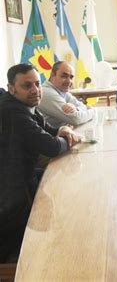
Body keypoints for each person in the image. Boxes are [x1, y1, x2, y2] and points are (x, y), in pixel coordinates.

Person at [0, 63, 80, 262]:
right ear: (11, 88)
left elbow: (45, 130)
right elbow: (51, 147)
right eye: (27, 86)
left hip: (20, 183)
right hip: (11, 200)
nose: (35, 90)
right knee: (59, 220)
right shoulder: (12, 111)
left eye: (37, 84)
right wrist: (66, 139)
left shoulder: (21, 105)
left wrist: (63, 131)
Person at [38, 61, 95, 128]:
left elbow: (82, 106)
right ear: (52, 75)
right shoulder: (46, 93)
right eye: (64, 76)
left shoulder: (61, 90)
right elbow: (76, 119)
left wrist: (76, 109)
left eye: (71, 77)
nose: (69, 81)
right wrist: (93, 112)